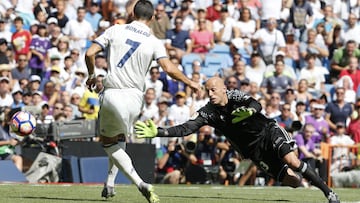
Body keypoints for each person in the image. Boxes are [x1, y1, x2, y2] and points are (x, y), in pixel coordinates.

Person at [135, 77, 340, 203]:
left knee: (293, 162)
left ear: (224, 89)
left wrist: (249, 111)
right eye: (207, 91)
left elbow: (256, 104)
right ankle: (307, 179)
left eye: (213, 90)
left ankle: (329, 193)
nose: (210, 94)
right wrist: (159, 132)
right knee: (294, 182)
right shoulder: (209, 112)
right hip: (254, 151)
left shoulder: (234, 95)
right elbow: (187, 127)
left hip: (268, 132)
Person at [85, 1, 200, 202]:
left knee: (108, 143)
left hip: (114, 93)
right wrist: (191, 82)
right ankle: (110, 183)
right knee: (119, 138)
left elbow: (89, 53)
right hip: (136, 99)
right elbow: (170, 69)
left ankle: (140, 183)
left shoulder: (116, 30)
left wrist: (92, 74)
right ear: (153, 18)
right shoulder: (154, 41)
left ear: (132, 14)